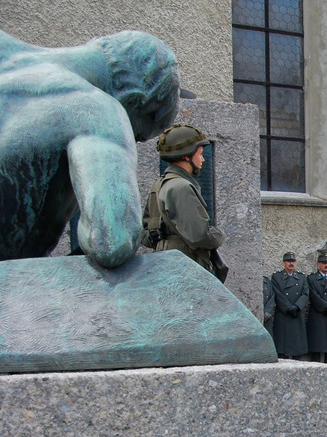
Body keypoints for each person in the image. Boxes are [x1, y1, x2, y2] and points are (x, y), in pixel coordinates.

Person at [0, 29, 179, 268]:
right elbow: (112, 241)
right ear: (135, 101)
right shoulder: (98, 110)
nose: (131, 140)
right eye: (137, 136)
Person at [143, 123, 225, 276]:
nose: (203, 159)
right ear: (187, 156)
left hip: (164, 265)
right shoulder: (181, 187)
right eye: (200, 154)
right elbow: (199, 236)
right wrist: (219, 235)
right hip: (185, 268)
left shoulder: (159, 185)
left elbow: (146, 235)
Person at [271, 252, 309, 359]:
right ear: (284, 263)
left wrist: (297, 306)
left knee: (297, 348)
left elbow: (305, 293)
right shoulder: (277, 277)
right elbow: (277, 294)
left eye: (293, 261)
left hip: (297, 314)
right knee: (283, 349)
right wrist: (288, 307)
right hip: (284, 314)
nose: (291, 263)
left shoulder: (301, 277)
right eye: (288, 261)